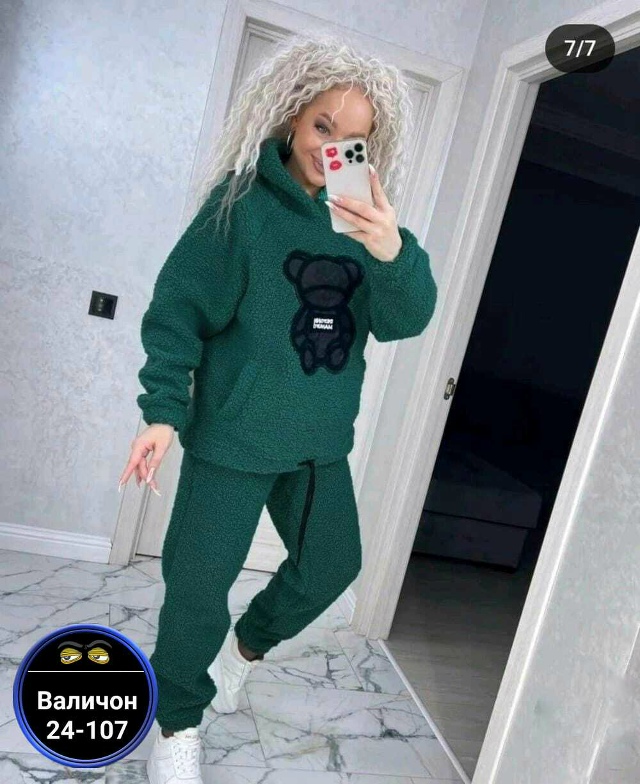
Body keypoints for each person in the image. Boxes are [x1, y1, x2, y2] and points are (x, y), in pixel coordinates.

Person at [118, 31, 438, 784]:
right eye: (323, 125)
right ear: (293, 116)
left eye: (354, 140)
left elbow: (405, 320)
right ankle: (177, 724)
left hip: (319, 443)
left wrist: (392, 252)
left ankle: (243, 651)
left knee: (333, 565)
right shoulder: (239, 208)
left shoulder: (367, 223)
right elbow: (178, 312)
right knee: (197, 590)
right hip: (232, 439)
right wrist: (162, 412)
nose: (333, 148)